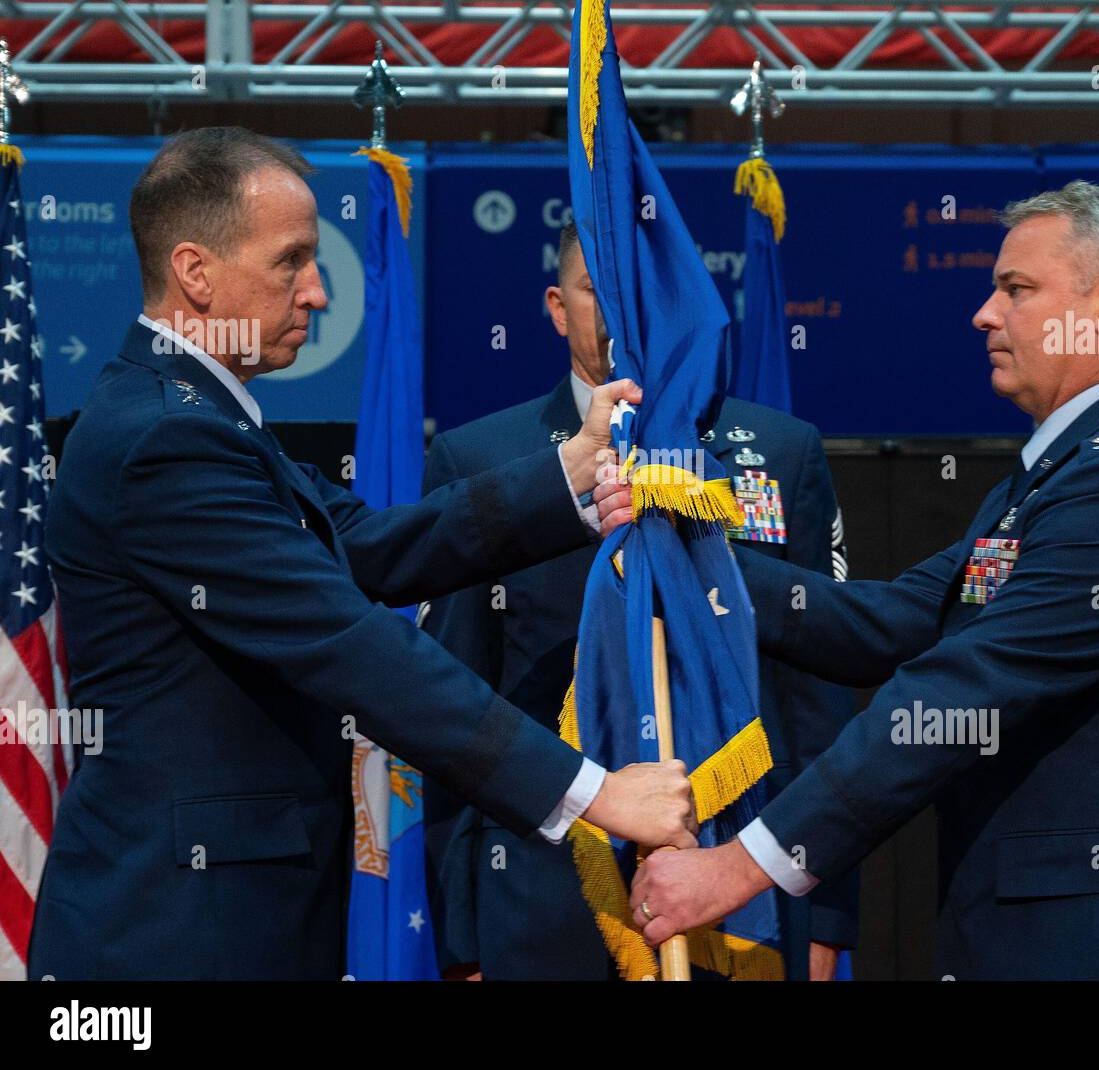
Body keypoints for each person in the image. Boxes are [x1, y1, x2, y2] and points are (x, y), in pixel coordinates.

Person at [27, 127, 695, 981]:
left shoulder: (201, 418)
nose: (318, 291)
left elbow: (373, 545)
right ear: (196, 273)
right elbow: (350, 641)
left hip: (228, 919)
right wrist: (593, 793)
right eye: (292, 261)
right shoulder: (167, 440)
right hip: (174, 935)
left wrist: (572, 468)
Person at [618, 180, 1099, 980]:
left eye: (1016, 289)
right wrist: (680, 553)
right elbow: (887, 622)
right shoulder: (1056, 479)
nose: (985, 314)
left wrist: (740, 865)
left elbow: (958, 694)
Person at [419, 223, 858, 980]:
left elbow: (819, 705)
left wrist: (825, 917)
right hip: (543, 902)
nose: (628, 312)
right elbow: (452, 713)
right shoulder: (482, 462)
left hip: (742, 893)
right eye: (600, 291)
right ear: (558, 307)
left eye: (649, 291)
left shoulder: (780, 454)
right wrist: (462, 940)